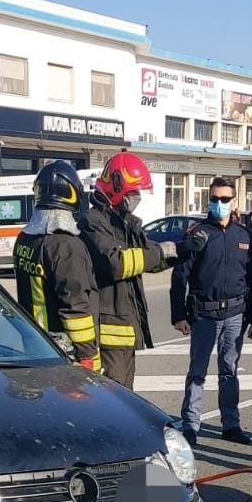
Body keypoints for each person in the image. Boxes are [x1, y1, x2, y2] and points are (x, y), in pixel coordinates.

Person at [171, 176, 252, 447]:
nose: (219, 204)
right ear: (208, 200)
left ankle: (231, 424)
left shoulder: (244, 236)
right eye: (215, 199)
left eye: (225, 199)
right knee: (197, 372)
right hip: (203, 314)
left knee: (229, 371)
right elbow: (180, 276)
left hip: (235, 314)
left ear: (234, 200)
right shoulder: (198, 235)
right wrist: (179, 315)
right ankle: (190, 425)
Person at [81, 152, 165, 387]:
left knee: (127, 397)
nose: (136, 197)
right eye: (133, 192)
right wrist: (160, 252)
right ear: (116, 187)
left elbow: (150, 258)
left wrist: (182, 251)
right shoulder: (93, 222)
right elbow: (116, 264)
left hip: (125, 329)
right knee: (113, 396)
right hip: (110, 332)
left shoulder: (127, 222)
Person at [13, 160, 102, 371]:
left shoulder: (24, 239)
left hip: (33, 346)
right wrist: (87, 356)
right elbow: (75, 307)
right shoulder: (66, 246)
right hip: (65, 354)